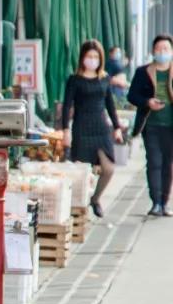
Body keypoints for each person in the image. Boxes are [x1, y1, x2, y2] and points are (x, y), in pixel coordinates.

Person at [61, 40, 122, 217]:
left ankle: (95, 199)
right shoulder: (74, 80)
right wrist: (65, 130)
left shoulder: (105, 79)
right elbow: (66, 106)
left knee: (108, 168)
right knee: (80, 171)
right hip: (81, 127)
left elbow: (110, 104)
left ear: (101, 59)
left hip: (101, 128)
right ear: (82, 58)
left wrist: (117, 127)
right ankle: (77, 207)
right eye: (89, 56)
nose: (92, 60)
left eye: (96, 56)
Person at [127, 34, 173, 216]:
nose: (162, 52)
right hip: (151, 124)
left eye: (166, 49)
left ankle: (164, 202)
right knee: (154, 162)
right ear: (153, 51)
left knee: (168, 164)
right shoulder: (143, 72)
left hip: (170, 126)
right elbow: (132, 96)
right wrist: (147, 102)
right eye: (159, 49)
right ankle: (155, 202)